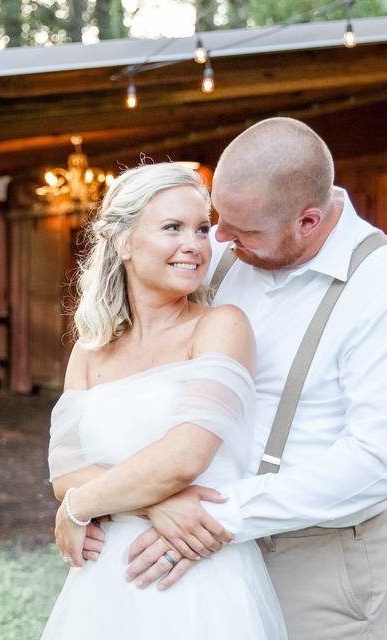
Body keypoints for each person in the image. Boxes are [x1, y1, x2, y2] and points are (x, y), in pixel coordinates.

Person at [119, 117, 387, 639]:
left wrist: (221, 516)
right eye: (216, 220)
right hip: (198, 548)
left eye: (241, 231)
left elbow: (380, 460)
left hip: (318, 562)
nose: (218, 238)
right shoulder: (220, 256)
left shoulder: (385, 284)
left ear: (308, 222)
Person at [40, 162, 286, 639]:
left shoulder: (220, 326)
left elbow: (185, 456)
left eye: (200, 228)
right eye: (172, 228)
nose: (194, 244)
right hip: (104, 581)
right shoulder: (90, 350)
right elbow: (64, 471)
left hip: (196, 576)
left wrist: (78, 508)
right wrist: (156, 505)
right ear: (123, 241)